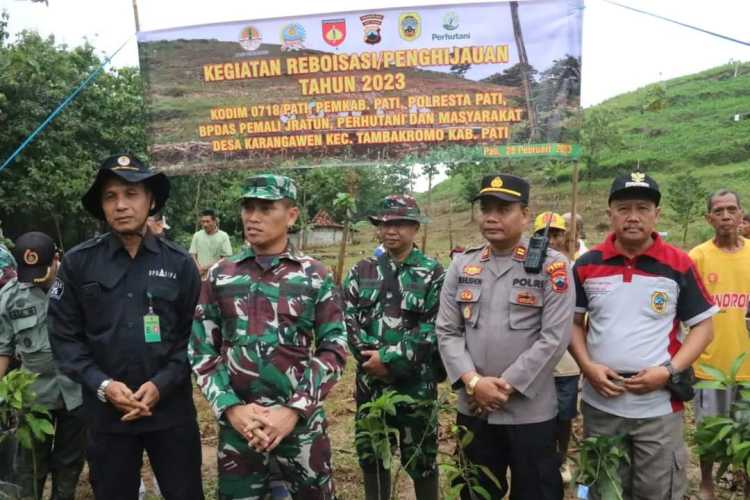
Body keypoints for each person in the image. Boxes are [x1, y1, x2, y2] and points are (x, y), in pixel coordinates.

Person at [47, 154, 204, 500]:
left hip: (170, 412)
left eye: (131, 194)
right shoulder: (77, 264)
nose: (120, 205)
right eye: (110, 196)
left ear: (151, 201)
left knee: (185, 492)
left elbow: (195, 337)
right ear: (101, 206)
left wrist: (161, 384)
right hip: (106, 416)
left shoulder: (179, 264)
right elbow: (64, 338)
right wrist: (102, 385)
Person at [190, 174, 348, 499]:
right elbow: (202, 349)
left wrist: (293, 410)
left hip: (300, 428)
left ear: (291, 215)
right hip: (240, 429)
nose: (253, 217)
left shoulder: (315, 275)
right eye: (248, 207)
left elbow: (334, 348)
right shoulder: (221, 274)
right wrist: (230, 408)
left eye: (265, 207)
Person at [569, 170, 717, 500]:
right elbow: (573, 323)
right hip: (601, 404)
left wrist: (668, 371)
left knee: (657, 490)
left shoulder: (678, 264)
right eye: (623, 208)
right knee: (602, 487)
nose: (633, 217)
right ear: (610, 214)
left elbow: (704, 327)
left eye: (642, 208)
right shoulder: (586, 264)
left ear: (656, 215)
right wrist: (587, 367)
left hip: (658, 407)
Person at [436, 174, 574, 500]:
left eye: (504, 208)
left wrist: (504, 386)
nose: (491, 217)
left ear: (525, 215)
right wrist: (474, 383)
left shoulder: (553, 266)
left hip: (531, 411)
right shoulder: (462, 264)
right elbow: (447, 330)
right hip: (474, 408)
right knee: (477, 492)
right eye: (485, 208)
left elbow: (554, 337)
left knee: (535, 492)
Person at [343, 195, 444, 500]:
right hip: (371, 384)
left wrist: (389, 360)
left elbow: (434, 327)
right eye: (385, 224)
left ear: (414, 228)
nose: (391, 230)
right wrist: (370, 363)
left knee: (422, 458)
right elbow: (349, 321)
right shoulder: (361, 271)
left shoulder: (433, 273)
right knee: (373, 454)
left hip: (417, 386)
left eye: (400, 224)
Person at [0, 232, 85, 500]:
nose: (35, 279)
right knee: (29, 466)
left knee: (69, 463)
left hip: (77, 391)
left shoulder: (80, 289)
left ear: (56, 260)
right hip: (34, 395)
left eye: (42, 272)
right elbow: (3, 347)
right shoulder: (11, 296)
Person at [688, 189, 750, 500]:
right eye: (719, 210)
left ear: (741, 215)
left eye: (731, 209)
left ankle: (745, 480)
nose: (726, 216)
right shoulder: (697, 257)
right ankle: (707, 483)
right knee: (709, 430)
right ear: (709, 218)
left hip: (748, 364)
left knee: (748, 431)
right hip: (710, 363)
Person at [533, 212, 581, 483]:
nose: (549, 240)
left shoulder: (575, 267)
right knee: (537, 419)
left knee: (564, 416)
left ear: (564, 236)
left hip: (567, 363)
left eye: (555, 234)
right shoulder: (527, 267)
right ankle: (539, 461)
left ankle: (561, 461)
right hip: (536, 361)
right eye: (543, 234)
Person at [189, 209, 232, 279]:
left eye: (208, 221)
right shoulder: (197, 235)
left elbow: (226, 258)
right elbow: (193, 255)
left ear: (215, 221)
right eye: (203, 222)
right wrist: (199, 268)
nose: (205, 224)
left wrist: (207, 268)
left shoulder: (223, 236)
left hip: (216, 276)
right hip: (198, 275)